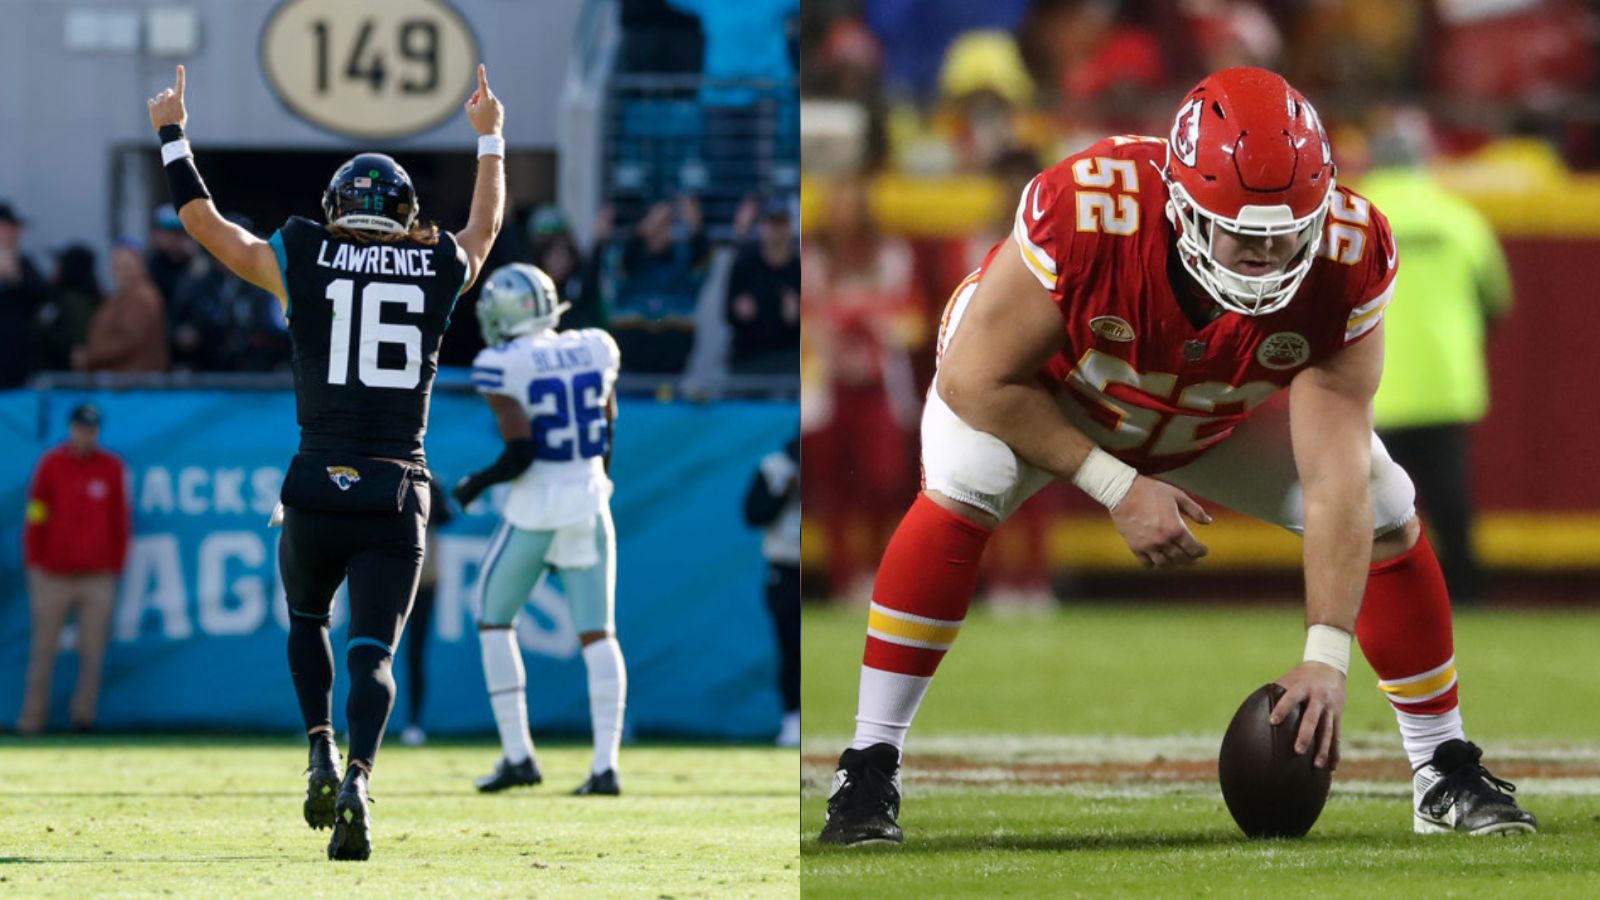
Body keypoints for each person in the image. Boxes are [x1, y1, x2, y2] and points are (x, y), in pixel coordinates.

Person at [817, 67, 1538, 846]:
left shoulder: (1350, 251)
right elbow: (972, 381)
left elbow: (1334, 472)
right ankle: (869, 766)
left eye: (1284, 233)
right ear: (1183, 206)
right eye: (1242, 234)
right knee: (973, 478)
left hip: (1207, 412)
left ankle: (1442, 769)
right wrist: (1115, 484)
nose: (1264, 256)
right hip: (1057, 394)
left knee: (1385, 498)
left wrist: (1326, 656)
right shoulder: (1090, 206)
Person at [146, 62, 506, 860]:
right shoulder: (436, 266)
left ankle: (318, 748)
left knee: (307, 621)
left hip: (315, 482)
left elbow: (206, 225)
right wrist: (492, 141)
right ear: (407, 213)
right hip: (395, 485)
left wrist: (173, 133)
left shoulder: (302, 254)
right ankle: (362, 780)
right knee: (373, 651)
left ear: (334, 209)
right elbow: (481, 235)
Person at [455, 263, 627, 797]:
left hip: (535, 507)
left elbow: (522, 450)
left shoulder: (501, 364)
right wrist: (598, 481)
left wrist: (473, 484)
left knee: (493, 617)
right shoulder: (596, 346)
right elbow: (609, 424)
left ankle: (518, 755)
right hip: (589, 499)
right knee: (599, 634)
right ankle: (605, 766)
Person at [1361, 110, 1513, 609]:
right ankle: (1466, 594)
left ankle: (1377, 599)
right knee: (1451, 503)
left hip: (1371, 385)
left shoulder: (1356, 213)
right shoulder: (1458, 217)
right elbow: (1495, 300)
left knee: (1371, 507)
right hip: (1446, 381)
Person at [17, 404, 131, 734]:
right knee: (43, 650)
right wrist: (36, 561)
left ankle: (83, 718)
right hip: (52, 574)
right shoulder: (52, 464)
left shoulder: (111, 467)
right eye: (81, 428)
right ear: (71, 428)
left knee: (93, 652)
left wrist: (114, 565)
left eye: (91, 429)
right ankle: (31, 720)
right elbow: (37, 511)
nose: (85, 435)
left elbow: (119, 521)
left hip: (97, 576)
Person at [742, 433, 800, 747]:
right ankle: (792, 718)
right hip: (784, 567)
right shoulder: (773, 467)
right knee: (790, 647)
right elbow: (752, 514)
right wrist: (783, 493)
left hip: (805, 567)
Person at [399, 479, 453, 747]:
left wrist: (428, 487)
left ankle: (413, 722)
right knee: (372, 653)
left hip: (423, 580)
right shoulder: (383, 476)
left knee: (415, 653)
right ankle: (362, 722)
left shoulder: (429, 482)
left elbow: (445, 517)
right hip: (387, 579)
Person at [725, 194, 801, 375]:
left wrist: (797, 317)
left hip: (789, 355)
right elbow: (727, 314)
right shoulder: (744, 263)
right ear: (762, 227)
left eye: (781, 224)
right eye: (771, 224)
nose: (776, 231)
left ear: (790, 227)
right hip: (748, 355)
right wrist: (739, 312)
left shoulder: (799, 268)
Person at [71, 241, 169, 374]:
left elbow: (129, 340)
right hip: (123, 378)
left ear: (141, 267)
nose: (121, 272)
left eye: (128, 266)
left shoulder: (140, 297)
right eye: (117, 266)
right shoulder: (122, 296)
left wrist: (90, 356)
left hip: (132, 380)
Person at [0, 201, 47, 388]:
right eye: (9, 228)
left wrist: (16, 278)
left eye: (16, 229)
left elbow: (44, 296)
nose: (15, 234)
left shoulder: (24, 264)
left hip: (16, 361)